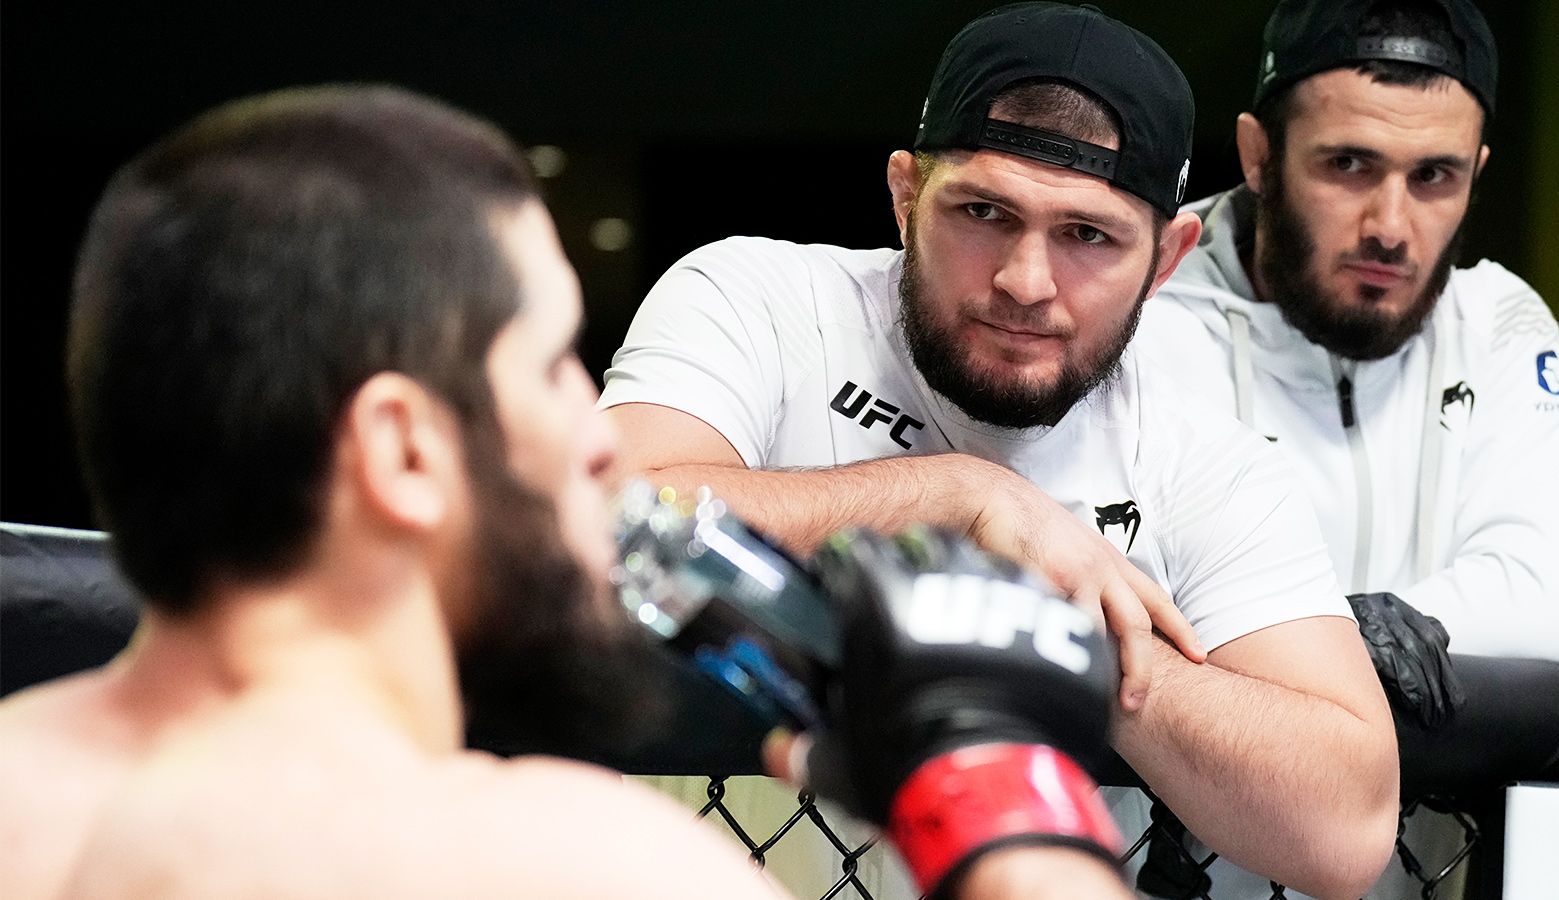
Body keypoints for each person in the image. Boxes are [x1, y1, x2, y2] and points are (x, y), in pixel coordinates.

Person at [0, 85, 1135, 900]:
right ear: (402, 450)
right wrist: (996, 794)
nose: (598, 438)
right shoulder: (566, 865)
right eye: (552, 367)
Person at [600, 3, 1399, 897]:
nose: (1025, 281)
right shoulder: (763, 302)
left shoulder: (1202, 458)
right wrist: (962, 496)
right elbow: (598, 526)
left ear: (1167, 259)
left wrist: (1061, 639)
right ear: (906, 197)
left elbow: (1346, 830)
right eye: (983, 211)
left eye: (1088, 235)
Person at [1141, 0, 1559, 895]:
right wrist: (1362, 641)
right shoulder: (1137, 301)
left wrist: (1306, 641)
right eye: (1349, 165)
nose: (1391, 225)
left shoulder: (1498, 319)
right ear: (1258, 155)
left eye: (1435, 176)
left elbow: (1542, 600)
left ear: (1477, 172)